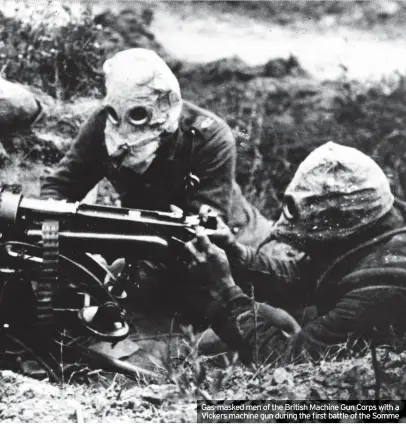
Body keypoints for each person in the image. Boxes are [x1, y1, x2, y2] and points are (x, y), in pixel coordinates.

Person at [185, 141, 406, 365]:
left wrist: (224, 290)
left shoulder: (383, 285)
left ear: (341, 232)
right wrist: (238, 256)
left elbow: (288, 359)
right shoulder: (373, 230)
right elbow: (305, 276)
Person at [40, 48, 272, 249]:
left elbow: (205, 232)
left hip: (236, 239)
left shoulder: (210, 138)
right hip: (148, 234)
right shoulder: (102, 125)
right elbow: (61, 186)